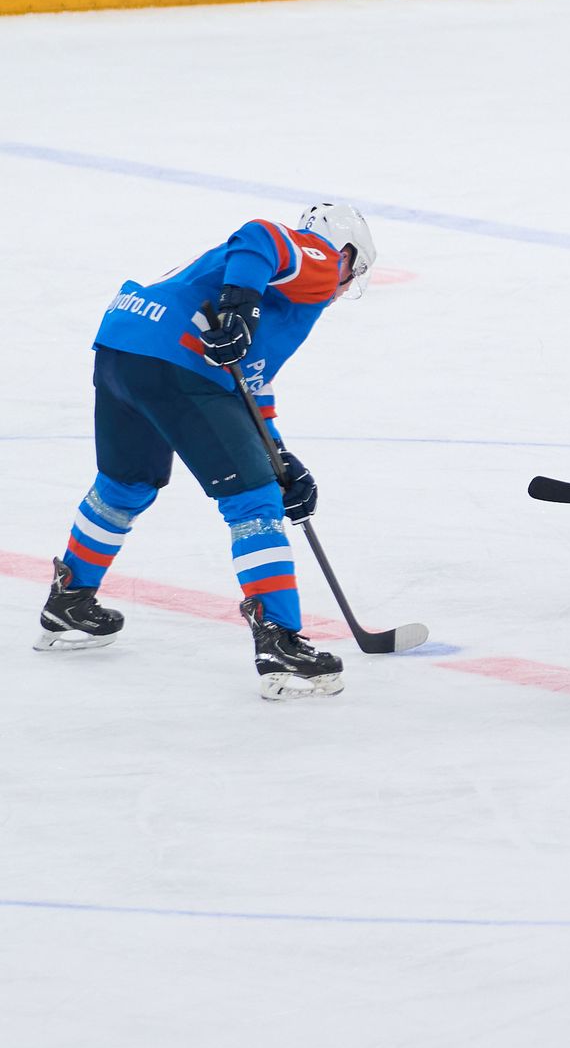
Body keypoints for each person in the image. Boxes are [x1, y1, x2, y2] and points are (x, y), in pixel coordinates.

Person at [34, 204, 377, 700]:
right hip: (175, 356)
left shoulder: (276, 297)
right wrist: (241, 308)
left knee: (126, 484)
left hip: (123, 345)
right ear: (345, 254)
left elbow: (248, 385)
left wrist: (279, 458)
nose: (346, 287)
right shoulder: (320, 264)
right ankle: (279, 641)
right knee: (253, 502)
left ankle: (69, 601)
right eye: (355, 272)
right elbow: (260, 236)